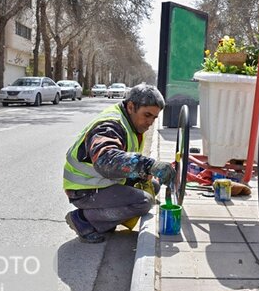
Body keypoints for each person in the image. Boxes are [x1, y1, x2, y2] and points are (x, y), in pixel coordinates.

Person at [62, 83, 175, 243]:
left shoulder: (131, 123)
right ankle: (83, 219)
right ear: (131, 107)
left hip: (102, 182)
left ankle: (104, 218)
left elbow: (123, 161)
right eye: (147, 115)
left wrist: (143, 175)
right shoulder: (110, 126)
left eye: (154, 118)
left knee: (153, 186)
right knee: (144, 202)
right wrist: (149, 166)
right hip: (85, 189)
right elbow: (106, 160)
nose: (150, 122)